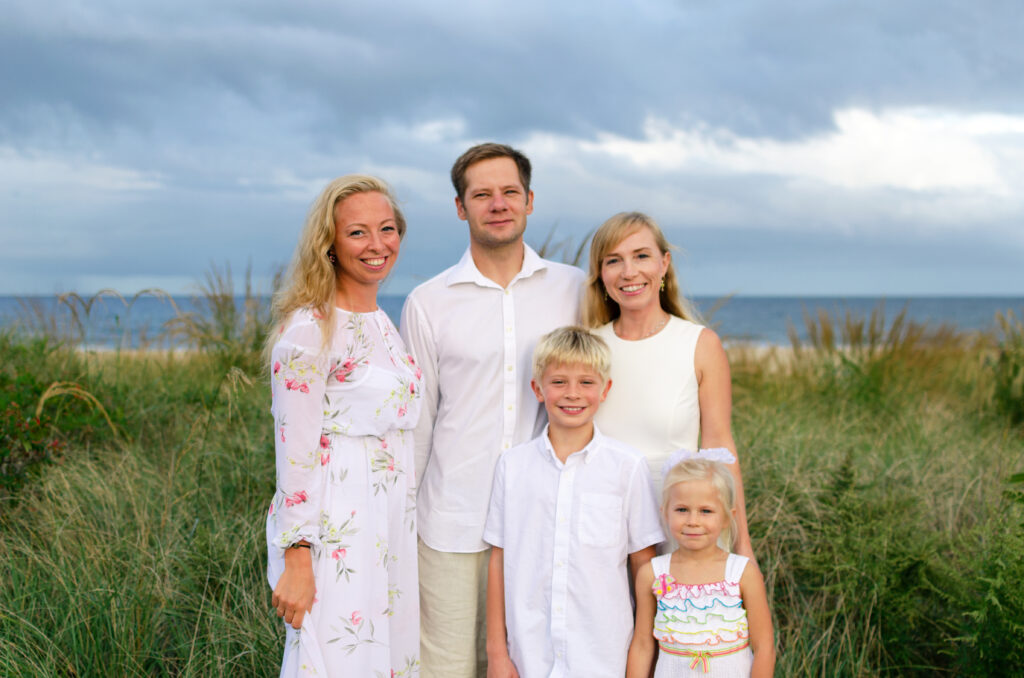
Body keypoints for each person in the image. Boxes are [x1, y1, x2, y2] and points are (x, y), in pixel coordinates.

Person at [400, 143, 586, 677]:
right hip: (450, 522)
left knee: (531, 665)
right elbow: (418, 422)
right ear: (461, 208)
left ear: (529, 201)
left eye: (509, 192)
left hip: (542, 520)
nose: (497, 204)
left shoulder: (573, 288)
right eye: (482, 194)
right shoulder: (428, 301)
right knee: (446, 667)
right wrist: (402, 518)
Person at [265, 175, 423, 677]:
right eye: (358, 233)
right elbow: (295, 452)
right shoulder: (309, 332)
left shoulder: (383, 323)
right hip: (337, 530)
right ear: (328, 245)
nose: (377, 245)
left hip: (389, 526)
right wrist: (297, 557)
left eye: (387, 228)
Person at [484, 326, 664, 677]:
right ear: (537, 389)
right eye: (558, 382)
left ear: (605, 390)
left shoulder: (627, 467)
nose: (572, 394)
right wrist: (496, 653)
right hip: (530, 657)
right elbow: (498, 560)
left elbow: (644, 566)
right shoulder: (513, 466)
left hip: (603, 657)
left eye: (586, 382)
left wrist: (642, 658)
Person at [585, 211, 754, 558]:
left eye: (641, 256)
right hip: (600, 527)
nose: (629, 272)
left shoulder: (701, 344)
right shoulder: (589, 348)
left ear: (664, 264)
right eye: (614, 261)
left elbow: (720, 448)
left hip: (680, 527)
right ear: (601, 275)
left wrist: (743, 547)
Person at [627, 453, 775, 678]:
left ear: (727, 517)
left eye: (706, 511)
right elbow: (643, 645)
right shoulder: (652, 573)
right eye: (682, 510)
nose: (693, 520)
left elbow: (765, 647)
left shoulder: (742, 573)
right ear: (665, 513)